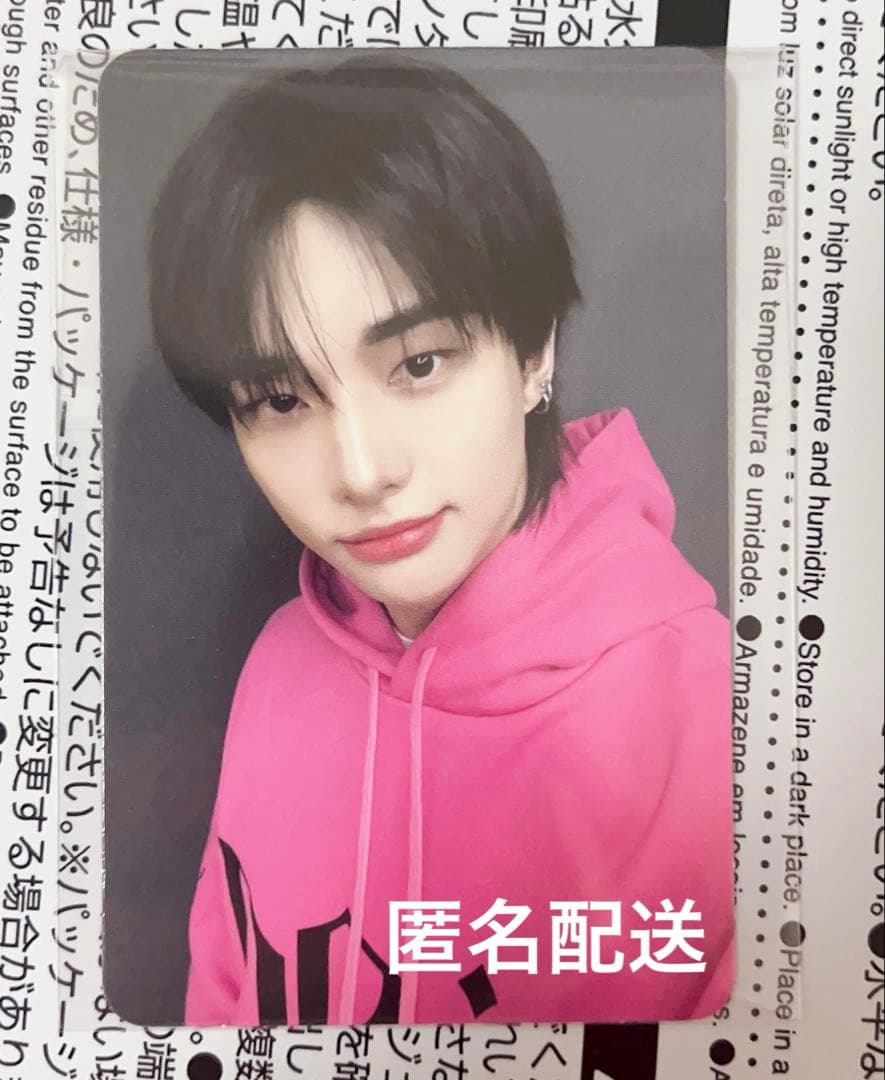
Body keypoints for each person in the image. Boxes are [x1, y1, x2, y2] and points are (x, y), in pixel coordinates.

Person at [149, 55, 734, 1026]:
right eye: (280, 400)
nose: (362, 470)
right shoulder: (281, 665)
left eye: (419, 363)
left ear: (534, 351)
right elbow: (218, 1010)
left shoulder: (722, 723)